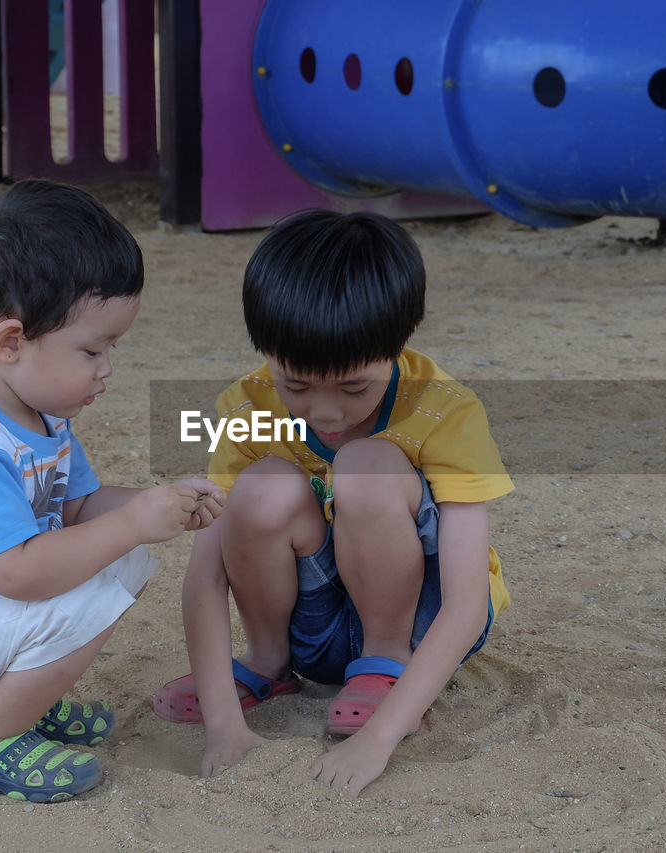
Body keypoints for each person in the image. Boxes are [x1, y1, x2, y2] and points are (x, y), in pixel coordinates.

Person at [0, 179, 224, 803]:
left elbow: (75, 508)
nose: (107, 367)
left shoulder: (35, 414)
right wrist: (134, 521)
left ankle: (15, 704)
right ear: (10, 341)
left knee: (118, 555)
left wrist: (159, 503)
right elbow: (19, 576)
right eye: (92, 349)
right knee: (90, 582)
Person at [154, 209, 513, 796]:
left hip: (423, 624)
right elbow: (205, 575)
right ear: (265, 349)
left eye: (354, 388)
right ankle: (269, 663)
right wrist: (224, 725)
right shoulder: (245, 409)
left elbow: (469, 602)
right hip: (311, 627)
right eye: (295, 384)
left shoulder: (444, 408)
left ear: (400, 343)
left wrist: (379, 740)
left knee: (364, 464)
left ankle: (383, 664)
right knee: (261, 485)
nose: (325, 412)